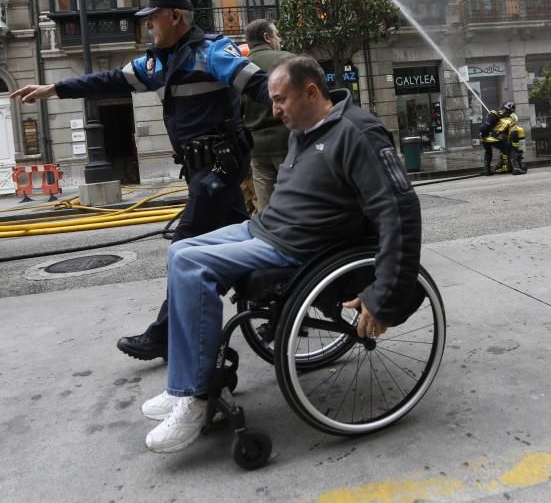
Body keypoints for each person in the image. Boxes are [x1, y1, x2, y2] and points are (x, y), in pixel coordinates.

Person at [140, 55, 422, 454]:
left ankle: (196, 397)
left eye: (280, 100)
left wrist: (385, 293)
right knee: (180, 250)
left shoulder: (359, 133)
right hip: (264, 228)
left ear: (311, 91)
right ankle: (184, 382)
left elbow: (399, 210)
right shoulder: (302, 131)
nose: (274, 110)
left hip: (297, 248)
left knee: (191, 264)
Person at [10, 0, 270, 360]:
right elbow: (109, 80)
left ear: (175, 17)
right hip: (203, 172)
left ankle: (164, 335)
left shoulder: (211, 52)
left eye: (153, 17)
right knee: (245, 246)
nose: (147, 24)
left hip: (218, 170)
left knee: (184, 252)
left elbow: (261, 85)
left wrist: (308, 118)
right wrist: (55, 88)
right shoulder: (158, 63)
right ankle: (282, 298)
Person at [242, 19, 294, 211]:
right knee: (293, 200)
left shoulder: (238, 67)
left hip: (256, 148)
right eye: (277, 34)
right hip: (287, 142)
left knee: (266, 207)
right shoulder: (287, 60)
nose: (279, 39)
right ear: (267, 37)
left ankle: (269, 239)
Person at [480, 100, 524, 175]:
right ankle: (515, 167)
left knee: (488, 151)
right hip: (494, 138)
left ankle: (487, 170)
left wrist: (483, 135)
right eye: (507, 111)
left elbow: (485, 126)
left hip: (485, 138)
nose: (507, 112)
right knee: (510, 149)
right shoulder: (502, 116)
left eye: (509, 111)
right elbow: (486, 126)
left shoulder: (496, 114)